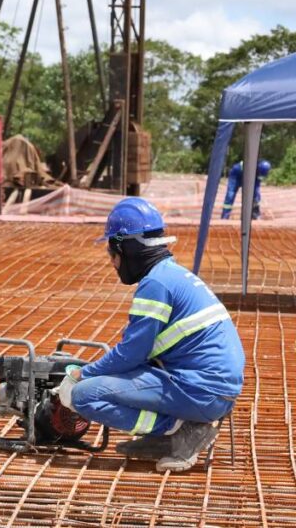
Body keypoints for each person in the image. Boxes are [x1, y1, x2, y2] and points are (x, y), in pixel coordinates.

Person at [58, 197, 245, 471]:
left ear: (128, 249)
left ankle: (180, 431)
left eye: (112, 253)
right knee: (119, 375)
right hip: (211, 387)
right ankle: (166, 435)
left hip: (201, 390)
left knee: (85, 395)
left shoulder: (155, 284)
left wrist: (81, 374)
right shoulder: (172, 275)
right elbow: (138, 350)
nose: (112, 262)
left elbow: (131, 354)